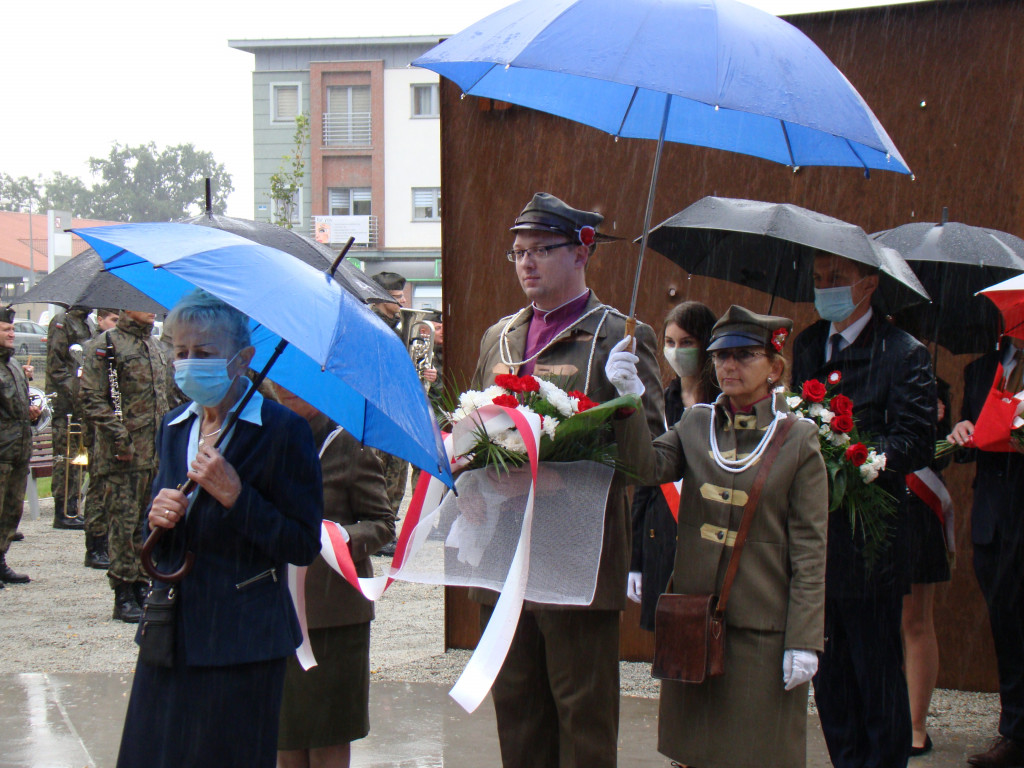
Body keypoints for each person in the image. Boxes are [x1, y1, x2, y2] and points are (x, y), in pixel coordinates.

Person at [469, 192, 665, 767]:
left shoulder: (619, 336)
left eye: (542, 250)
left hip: (576, 551)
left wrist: (625, 397)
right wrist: (472, 471)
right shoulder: (497, 337)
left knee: (582, 717)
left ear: (582, 252)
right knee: (519, 712)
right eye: (517, 252)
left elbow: (649, 461)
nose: (526, 263)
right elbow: (475, 429)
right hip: (504, 550)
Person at [609, 304, 828, 767]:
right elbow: (642, 467)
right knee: (694, 750)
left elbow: (810, 549)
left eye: (745, 355)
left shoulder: (798, 438)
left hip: (762, 630)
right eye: (720, 355)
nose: (729, 366)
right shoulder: (696, 424)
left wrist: (805, 637)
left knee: (755, 752)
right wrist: (629, 403)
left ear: (775, 366)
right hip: (694, 621)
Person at [115, 290, 322, 768]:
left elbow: (301, 542)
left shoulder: (281, 431)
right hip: (171, 631)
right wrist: (158, 513)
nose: (188, 364)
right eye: (180, 353)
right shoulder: (174, 426)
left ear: (243, 359)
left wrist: (237, 496)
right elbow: (167, 517)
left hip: (241, 639)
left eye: (204, 354)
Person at [791, 252, 935, 768]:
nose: (825, 288)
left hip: (871, 538)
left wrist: (859, 459)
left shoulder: (903, 352)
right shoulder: (809, 344)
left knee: (875, 671)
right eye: (818, 279)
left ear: (869, 284)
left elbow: (917, 439)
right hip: (816, 537)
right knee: (830, 677)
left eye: (837, 280)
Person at [273, 382, 395, 768]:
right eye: (280, 382)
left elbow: (382, 522)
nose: (287, 390)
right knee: (284, 735)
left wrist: (342, 537)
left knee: (328, 734)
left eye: (299, 384)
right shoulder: (264, 438)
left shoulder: (347, 444)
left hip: (334, 615)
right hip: (274, 610)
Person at [948, 336, 1024, 768]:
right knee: (1007, 627)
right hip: (994, 522)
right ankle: (1014, 733)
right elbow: (966, 434)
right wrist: (960, 432)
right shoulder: (981, 369)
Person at [627, 300, 719, 630]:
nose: (676, 351)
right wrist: (635, 560)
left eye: (686, 343)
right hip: (661, 532)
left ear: (708, 344)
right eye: (669, 343)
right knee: (669, 636)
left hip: (707, 530)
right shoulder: (661, 401)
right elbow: (644, 481)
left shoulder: (724, 403)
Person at [79, 310, 172, 622]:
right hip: (123, 453)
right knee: (123, 523)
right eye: (139, 303)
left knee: (146, 522)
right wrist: (119, 436)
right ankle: (123, 590)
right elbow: (91, 397)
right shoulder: (106, 346)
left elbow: (167, 397)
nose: (149, 309)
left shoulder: (157, 348)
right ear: (123, 307)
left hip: (154, 452)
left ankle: (142, 581)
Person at [0, 306, 41, 586]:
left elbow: (17, 404)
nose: (12, 333)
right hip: (1, 449)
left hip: (18, 449)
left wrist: (31, 411)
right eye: (6, 330)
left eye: (13, 329)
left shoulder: (13, 364)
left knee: (12, 509)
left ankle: (0, 558)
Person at [46, 304, 93, 531]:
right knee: (66, 457)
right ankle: (62, 510)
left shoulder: (88, 323)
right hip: (65, 403)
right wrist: (75, 390)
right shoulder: (62, 322)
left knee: (79, 458)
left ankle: (73, 507)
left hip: (81, 403)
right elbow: (57, 367)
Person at [79, 309, 119, 569]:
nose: (115, 325)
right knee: (99, 487)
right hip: (100, 430)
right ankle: (95, 544)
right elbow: (90, 395)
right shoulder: (97, 347)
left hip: (124, 430)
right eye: (112, 320)